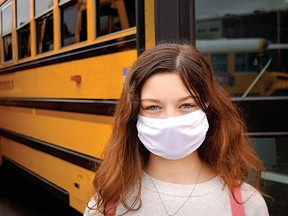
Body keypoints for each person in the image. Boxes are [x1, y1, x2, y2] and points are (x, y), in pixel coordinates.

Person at [84, 43, 269, 216]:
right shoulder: (107, 205)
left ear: (208, 109)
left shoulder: (247, 204)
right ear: (133, 117)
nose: (171, 120)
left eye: (187, 105)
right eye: (153, 107)